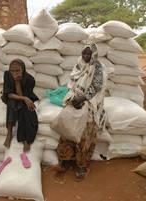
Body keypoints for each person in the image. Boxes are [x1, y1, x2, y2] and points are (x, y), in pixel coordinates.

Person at [56, 43, 107, 180]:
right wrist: (73, 98)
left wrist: (82, 98)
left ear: (94, 55)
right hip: (75, 100)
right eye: (83, 53)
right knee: (67, 130)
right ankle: (65, 160)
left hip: (90, 103)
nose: (85, 56)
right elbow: (72, 82)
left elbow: (97, 86)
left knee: (84, 134)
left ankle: (82, 165)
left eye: (88, 54)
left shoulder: (97, 68)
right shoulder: (78, 64)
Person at [0, 59, 39, 170]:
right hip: (13, 97)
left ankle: (26, 139)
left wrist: (24, 97)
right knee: (12, 103)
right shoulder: (7, 75)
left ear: (23, 69)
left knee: (25, 110)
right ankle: (9, 132)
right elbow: (9, 95)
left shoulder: (30, 79)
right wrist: (24, 97)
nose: (15, 73)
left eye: (18, 70)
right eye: (12, 71)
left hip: (24, 96)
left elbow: (23, 97)